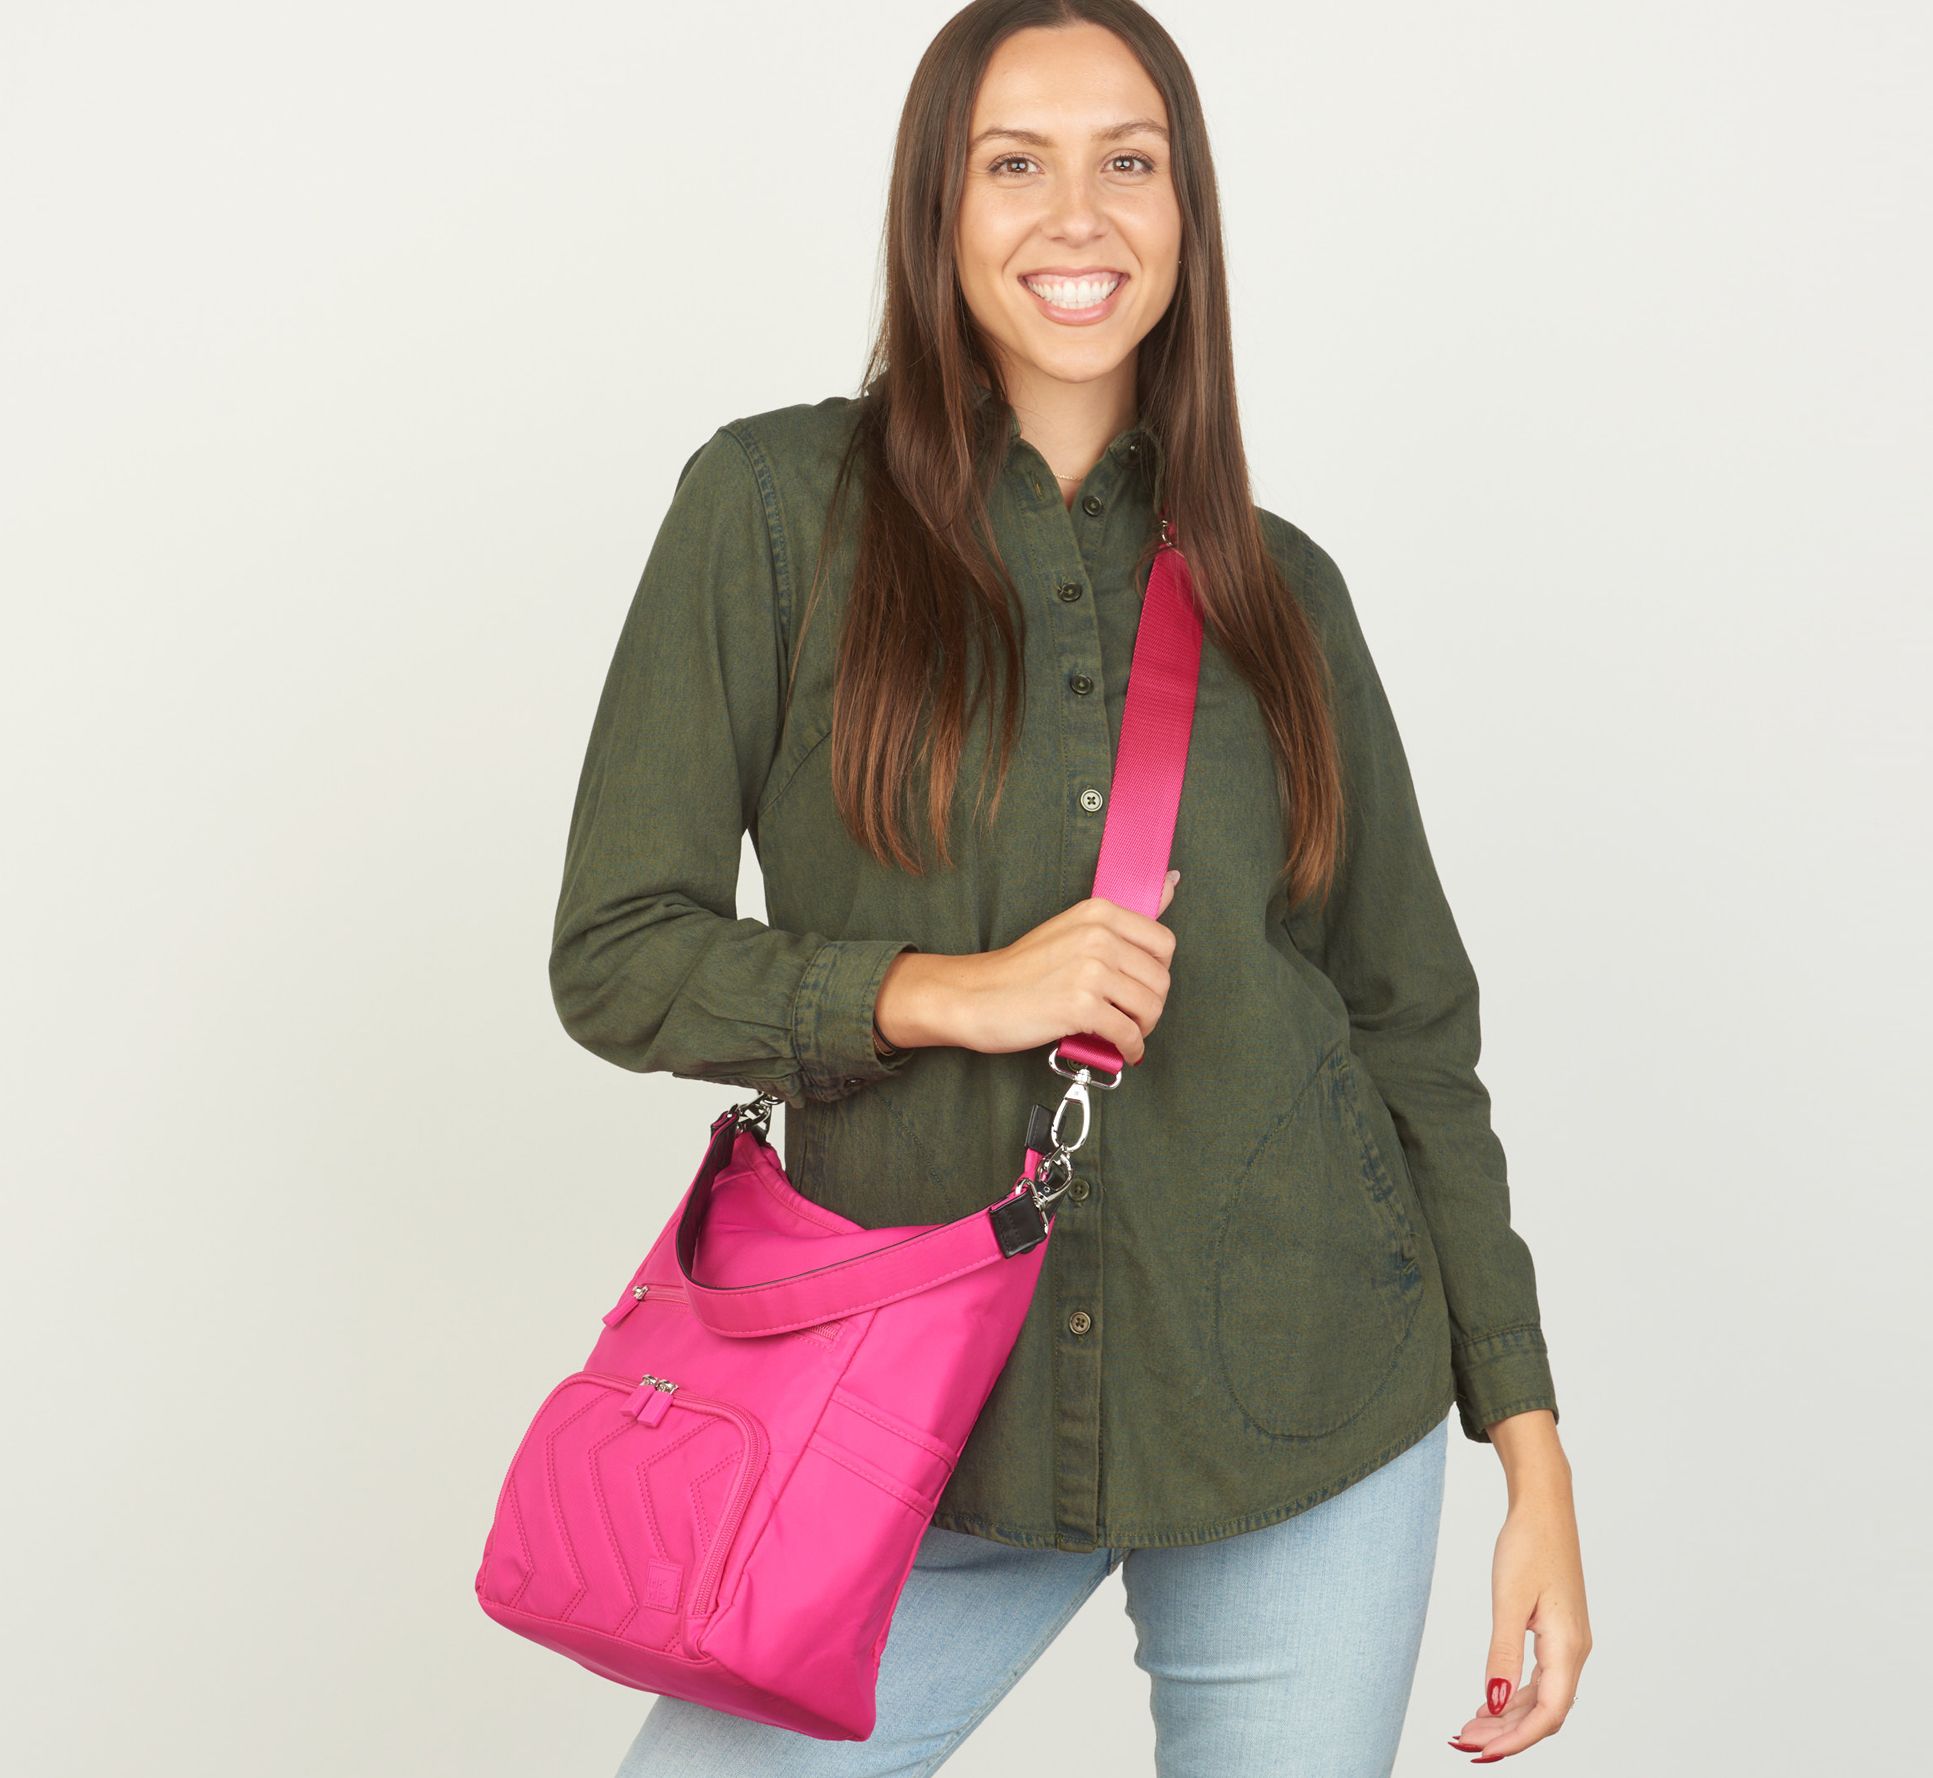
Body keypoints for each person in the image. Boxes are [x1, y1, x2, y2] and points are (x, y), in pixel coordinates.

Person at [550, 4, 1591, 1773]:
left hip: (1305, 1397)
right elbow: (615, 952)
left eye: (1131, 162)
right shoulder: (771, 510)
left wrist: (1533, 1452)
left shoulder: (1285, 592)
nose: (1079, 215)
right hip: (906, 1416)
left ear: (1186, 213)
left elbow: (1411, 1025)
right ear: (938, 208)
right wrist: (946, 989)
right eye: (1015, 163)